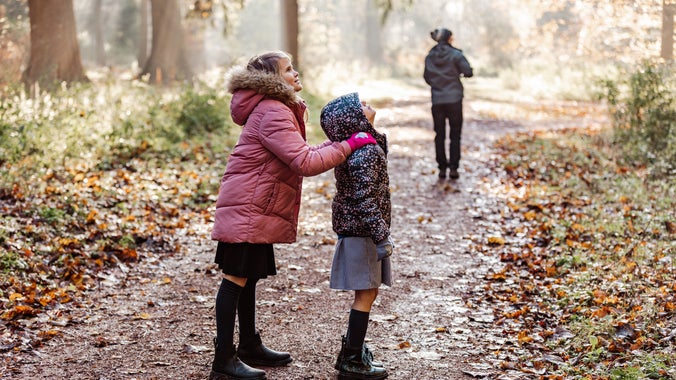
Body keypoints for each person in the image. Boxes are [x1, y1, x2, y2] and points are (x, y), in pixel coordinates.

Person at [209, 52, 377, 380]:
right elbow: (305, 162)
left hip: (255, 204)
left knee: (248, 276)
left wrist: (341, 144)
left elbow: (303, 152)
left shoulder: (276, 107)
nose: (296, 73)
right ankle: (223, 360)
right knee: (235, 279)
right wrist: (349, 145)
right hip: (249, 205)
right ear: (272, 79)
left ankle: (248, 346)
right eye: (288, 69)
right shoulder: (272, 110)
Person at [320, 92, 393, 380]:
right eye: (359, 106)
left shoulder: (363, 146)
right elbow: (364, 199)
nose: (367, 105)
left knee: (369, 291)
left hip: (360, 230)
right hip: (363, 232)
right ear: (352, 119)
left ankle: (353, 349)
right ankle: (352, 359)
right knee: (366, 293)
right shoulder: (366, 151)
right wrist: (381, 235)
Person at [424, 27, 473, 179]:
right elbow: (469, 72)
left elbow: (426, 77)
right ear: (449, 38)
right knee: (455, 134)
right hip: (454, 99)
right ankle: (453, 168)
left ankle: (442, 168)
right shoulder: (457, 54)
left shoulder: (430, 56)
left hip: (437, 100)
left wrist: (437, 83)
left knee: (439, 134)